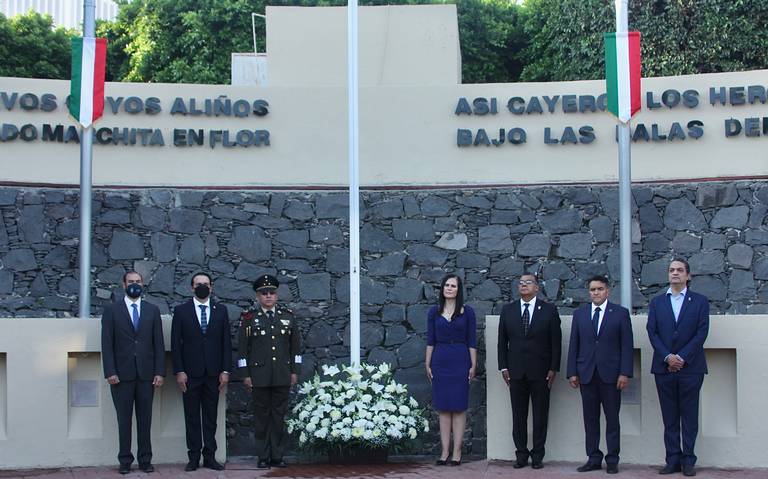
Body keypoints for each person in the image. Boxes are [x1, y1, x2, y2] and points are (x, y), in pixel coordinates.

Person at [647, 259, 709, 477]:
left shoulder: (700, 301)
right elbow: (652, 332)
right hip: (664, 368)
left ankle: (688, 460)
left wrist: (681, 357)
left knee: (689, 416)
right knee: (670, 417)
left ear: (688, 276)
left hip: (691, 368)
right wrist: (667, 357)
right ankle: (672, 460)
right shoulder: (657, 302)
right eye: (672, 270)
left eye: (680, 270)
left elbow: (701, 332)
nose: (675, 273)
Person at [567, 275, 634, 474]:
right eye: (592, 289)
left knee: (612, 419)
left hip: (611, 376)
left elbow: (626, 345)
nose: (596, 293)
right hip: (586, 374)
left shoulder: (620, 314)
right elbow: (574, 344)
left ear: (607, 291)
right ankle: (593, 457)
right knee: (590, 419)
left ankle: (612, 459)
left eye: (600, 289)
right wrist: (572, 372)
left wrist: (625, 372)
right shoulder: (580, 314)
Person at [101, 271, 165, 474]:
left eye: (138, 282)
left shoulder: (152, 310)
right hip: (121, 375)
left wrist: (159, 372)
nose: (134, 285)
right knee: (124, 420)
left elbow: (158, 344)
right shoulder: (112, 310)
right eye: (131, 282)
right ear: (123, 285)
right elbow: (107, 344)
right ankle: (125, 461)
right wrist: (110, 371)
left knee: (145, 420)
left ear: (143, 284)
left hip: (147, 375)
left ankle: (145, 460)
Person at [497, 272, 561, 469]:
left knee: (541, 415)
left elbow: (556, 343)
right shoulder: (508, 310)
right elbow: (502, 342)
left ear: (537, 287)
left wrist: (553, 368)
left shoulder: (549, 310)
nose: (524, 285)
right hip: (515, 372)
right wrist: (503, 366)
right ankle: (521, 454)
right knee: (518, 416)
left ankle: (538, 455)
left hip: (541, 371)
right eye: (521, 283)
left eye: (528, 282)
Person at [237, 274, 302, 470]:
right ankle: (263, 456)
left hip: (282, 375)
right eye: (264, 293)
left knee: (278, 417)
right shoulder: (249, 318)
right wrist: (245, 375)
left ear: (277, 295)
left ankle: (277, 456)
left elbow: (295, 349)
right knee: (262, 418)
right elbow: (242, 350)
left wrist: (295, 371)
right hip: (259, 377)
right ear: (258, 297)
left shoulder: (288, 316)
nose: (268, 296)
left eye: (271, 293)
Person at [171, 272, 232, 471]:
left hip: (213, 373)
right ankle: (193, 457)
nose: (202, 287)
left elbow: (226, 343)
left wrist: (225, 370)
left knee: (210, 417)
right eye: (198, 284)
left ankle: (210, 457)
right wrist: (179, 371)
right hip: (190, 373)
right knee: (191, 417)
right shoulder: (181, 311)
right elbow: (176, 344)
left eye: (205, 284)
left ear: (211, 287)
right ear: (192, 287)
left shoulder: (221, 311)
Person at [425, 274, 477, 466]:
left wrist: (473, 364)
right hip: (440, 358)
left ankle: (457, 451)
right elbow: (430, 340)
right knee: (443, 407)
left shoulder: (468, 312)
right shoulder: (434, 312)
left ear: (458, 289)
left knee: (459, 406)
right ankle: (444, 451)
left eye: (453, 286)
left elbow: (472, 340)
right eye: (446, 285)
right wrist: (427, 363)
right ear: (442, 288)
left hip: (460, 359)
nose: (449, 288)